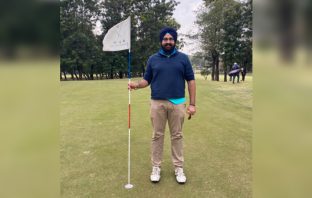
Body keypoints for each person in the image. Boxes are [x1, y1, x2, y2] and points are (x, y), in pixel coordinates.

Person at [128, 27, 196, 184]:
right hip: (157, 102)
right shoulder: (153, 59)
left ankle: (178, 168)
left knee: (177, 136)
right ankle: (156, 167)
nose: (168, 41)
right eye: (165, 39)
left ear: (175, 40)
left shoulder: (183, 58)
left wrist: (192, 104)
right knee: (157, 135)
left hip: (178, 103)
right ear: (161, 41)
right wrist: (136, 85)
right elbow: (147, 80)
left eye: (171, 39)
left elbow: (191, 81)